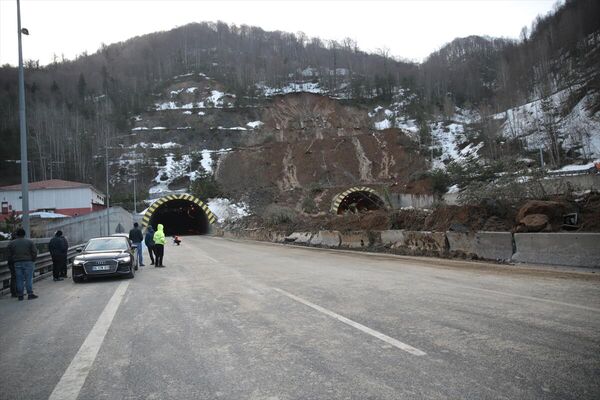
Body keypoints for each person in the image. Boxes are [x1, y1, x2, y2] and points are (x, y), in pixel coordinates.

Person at [8, 228, 38, 301]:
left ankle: (20, 295)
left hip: (17, 263)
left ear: (17, 234)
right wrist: (33, 259)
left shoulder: (12, 243)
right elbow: (34, 252)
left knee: (19, 279)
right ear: (24, 234)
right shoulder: (30, 242)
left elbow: (9, 254)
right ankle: (30, 294)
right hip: (28, 262)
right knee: (28, 278)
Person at [7, 231, 17, 297]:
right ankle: (15, 292)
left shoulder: (10, 243)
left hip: (10, 261)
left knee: (13, 277)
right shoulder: (15, 243)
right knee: (15, 277)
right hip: (15, 261)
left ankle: (13, 292)